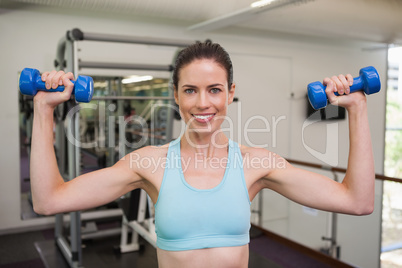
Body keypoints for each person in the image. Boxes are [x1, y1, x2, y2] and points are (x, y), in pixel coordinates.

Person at [30, 41, 375, 268]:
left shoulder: (256, 164)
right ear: (176, 96)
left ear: (230, 93)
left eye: (214, 90)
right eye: (190, 90)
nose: (203, 103)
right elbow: (49, 201)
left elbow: (357, 201)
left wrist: (357, 109)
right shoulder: (149, 163)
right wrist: (44, 110)